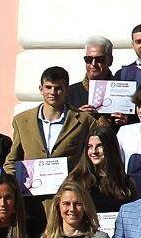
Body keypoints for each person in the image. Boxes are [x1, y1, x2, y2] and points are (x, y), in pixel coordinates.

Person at [6, 66, 93, 225]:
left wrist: (80, 183)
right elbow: (12, 161)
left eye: (58, 88)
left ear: (66, 90)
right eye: (48, 87)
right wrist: (15, 184)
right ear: (41, 89)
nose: (53, 92)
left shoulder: (84, 121)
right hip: (32, 203)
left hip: (68, 202)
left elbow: (91, 157)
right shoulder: (22, 120)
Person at [67, 123, 140, 216]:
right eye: (90, 146)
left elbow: (133, 216)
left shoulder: (125, 182)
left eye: (99, 146)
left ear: (110, 147)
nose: (94, 151)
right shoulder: (76, 179)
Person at [64, 35, 117, 114]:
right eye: (88, 59)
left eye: (99, 59)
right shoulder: (70, 93)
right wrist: (78, 115)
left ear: (110, 61)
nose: (93, 64)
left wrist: (125, 121)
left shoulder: (122, 91)